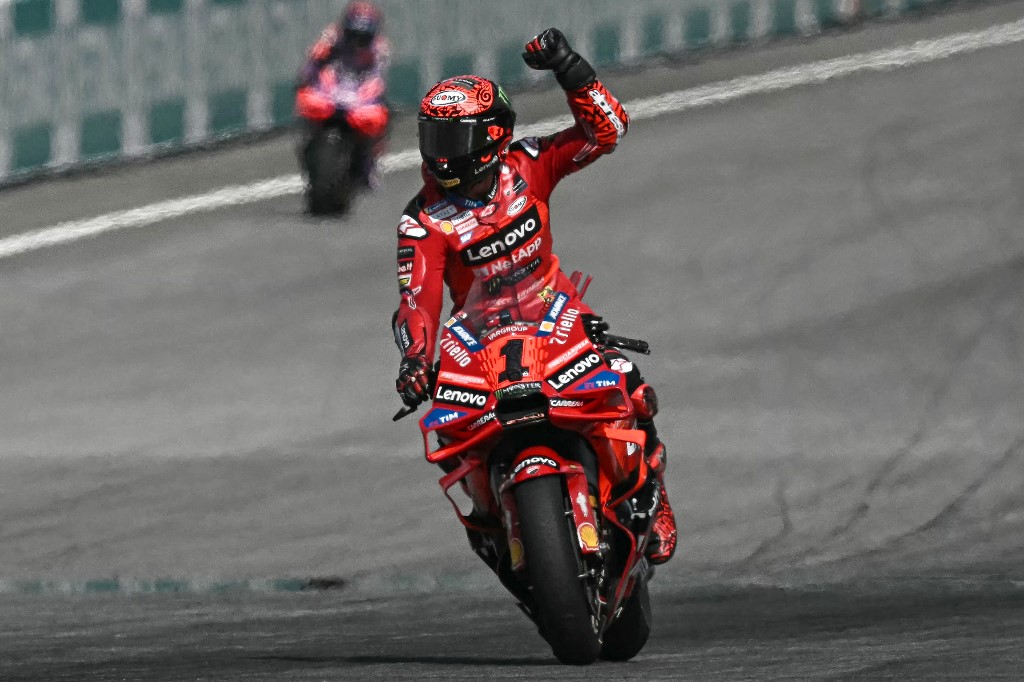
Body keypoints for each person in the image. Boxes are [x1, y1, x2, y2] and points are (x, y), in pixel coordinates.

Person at [390, 28, 676, 565]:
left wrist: (571, 69)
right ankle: (489, 523)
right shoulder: (422, 219)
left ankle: (651, 495)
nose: (438, 155)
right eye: (432, 139)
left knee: (628, 382)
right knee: (452, 431)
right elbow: (416, 300)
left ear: (491, 137)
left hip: (557, 312)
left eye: (451, 142)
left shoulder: (528, 165)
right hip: (478, 337)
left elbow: (607, 131)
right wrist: (414, 360)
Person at [297, 1, 390, 187]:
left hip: (358, 92)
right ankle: (309, 144)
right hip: (330, 89)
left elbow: (377, 78)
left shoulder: (379, 49)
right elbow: (313, 62)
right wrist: (306, 78)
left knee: (383, 115)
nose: (357, 43)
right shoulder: (331, 37)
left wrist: (369, 94)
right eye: (353, 34)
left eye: (363, 37)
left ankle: (369, 162)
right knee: (306, 108)